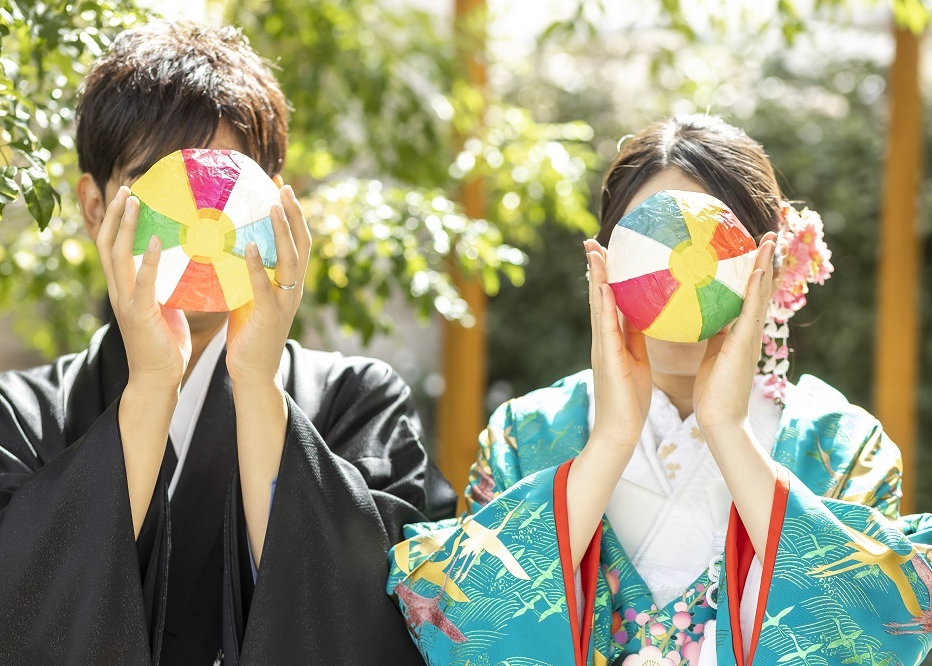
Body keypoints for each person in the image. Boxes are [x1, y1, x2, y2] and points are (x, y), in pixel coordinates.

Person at [0, 21, 456, 665]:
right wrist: (151, 389)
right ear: (95, 208)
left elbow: (399, 622)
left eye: (219, 186)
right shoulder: (3, 418)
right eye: (162, 188)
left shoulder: (359, 404)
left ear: (275, 208)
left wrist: (258, 389)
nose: (197, 224)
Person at [387, 115, 932, 665]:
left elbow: (878, 628)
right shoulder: (525, 435)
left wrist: (729, 431)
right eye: (649, 242)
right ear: (603, 267)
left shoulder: (842, 446)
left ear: (767, 269)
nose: (679, 272)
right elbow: (458, 625)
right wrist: (611, 441)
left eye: (710, 246)